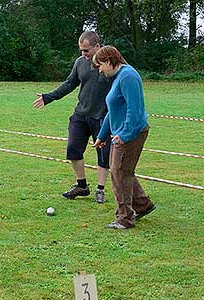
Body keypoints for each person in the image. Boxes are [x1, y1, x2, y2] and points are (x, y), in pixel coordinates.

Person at [33, 31, 112, 203]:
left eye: (86, 50)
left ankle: (100, 189)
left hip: (103, 116)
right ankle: (82, 185)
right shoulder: (80, 63)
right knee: (73, 149)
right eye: (81, 50)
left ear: (97, 46)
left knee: (103, 153)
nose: (83, 54)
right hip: (81, 114)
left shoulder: (110, 62)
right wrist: (49, 97)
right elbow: (70, 84)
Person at [92, 46, 156, 229]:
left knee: (119, 172)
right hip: (121, 132)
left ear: (110, 60)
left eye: (100, 65)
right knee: (123, 171)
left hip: (131, 133)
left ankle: (125, 218)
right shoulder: (119, 77)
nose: (100, 69)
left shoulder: (128, 76)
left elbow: (133, 110)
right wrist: (102, 135)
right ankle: (143, 205)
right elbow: (113, 111)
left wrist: (125, 135)